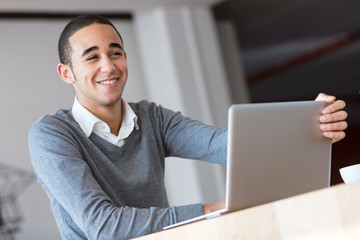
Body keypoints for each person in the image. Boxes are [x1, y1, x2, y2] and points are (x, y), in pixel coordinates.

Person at [28, 14, 348, 240]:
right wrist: (216, 208)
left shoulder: (152, 118)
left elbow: (227, 144)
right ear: (66, 73)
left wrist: (308, 122)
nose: (108, 66)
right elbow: (104, 227)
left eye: (115, 53)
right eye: (92, 57)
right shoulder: (51, 135)